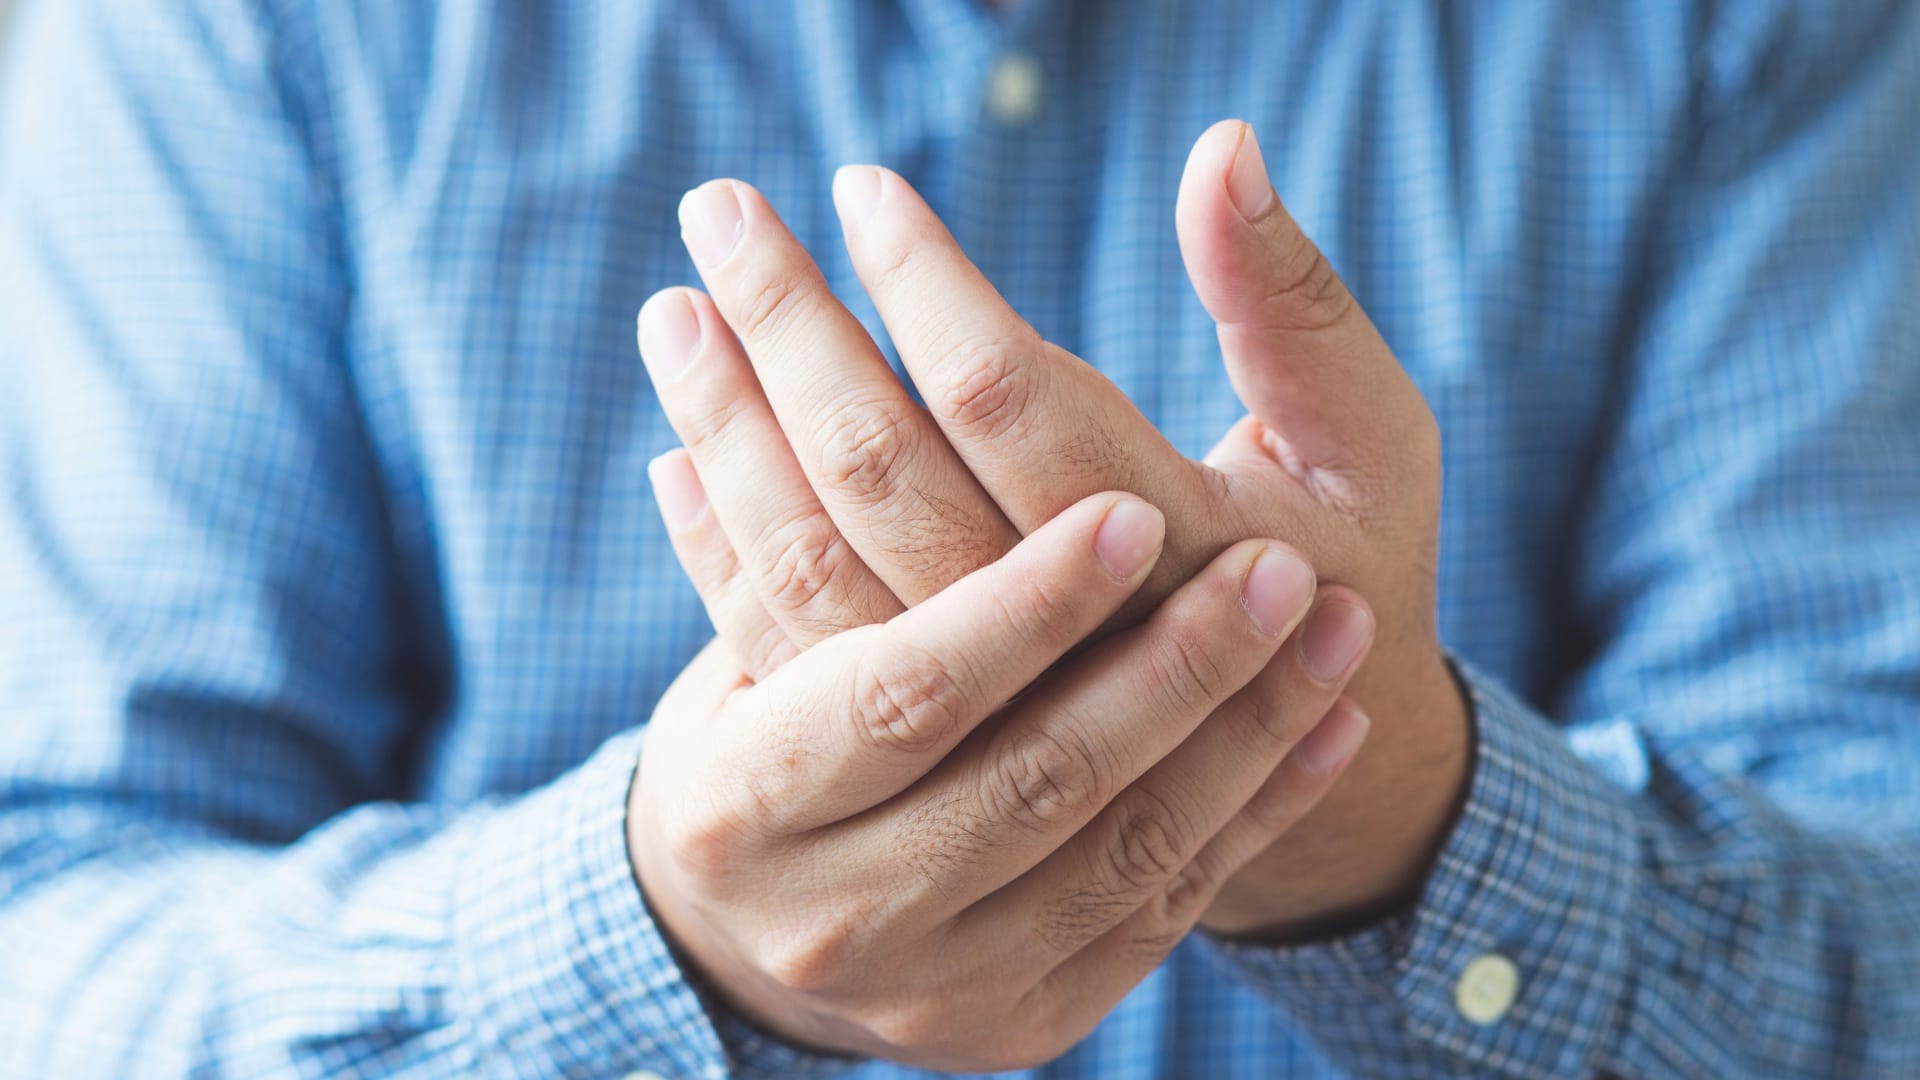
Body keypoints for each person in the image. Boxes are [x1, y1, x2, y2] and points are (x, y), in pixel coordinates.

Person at [1, 1, 1916, 1076]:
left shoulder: (1749, 41)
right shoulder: (239, 39)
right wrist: (650, 936)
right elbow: (51, 928)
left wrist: (1389, 817)